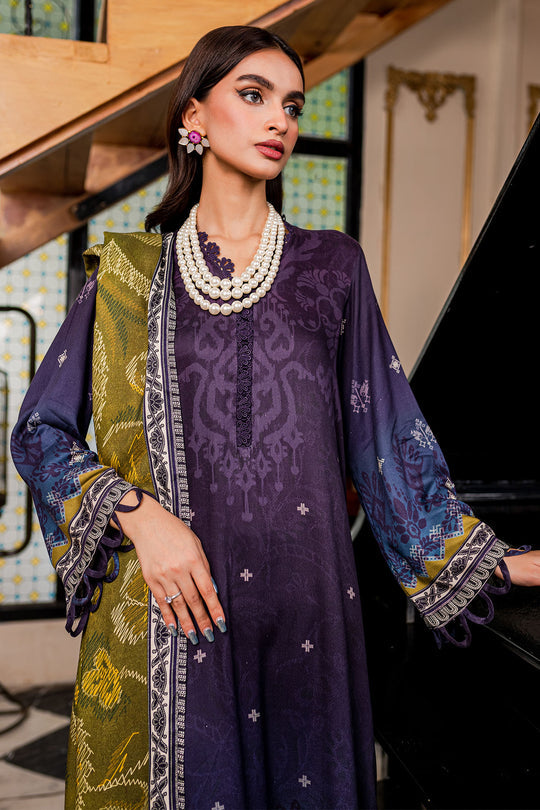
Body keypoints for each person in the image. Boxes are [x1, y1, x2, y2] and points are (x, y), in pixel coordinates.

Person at [11, 24, 540, 810]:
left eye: (292, 105)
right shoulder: (128, 274)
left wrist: (498, 562)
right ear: (194, 116)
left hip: (307, 616)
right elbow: (40, 433)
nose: (278, 120)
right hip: (171, 608)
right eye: (253, 95)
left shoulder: (333, 265)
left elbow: (385, 444)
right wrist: (138, 515)